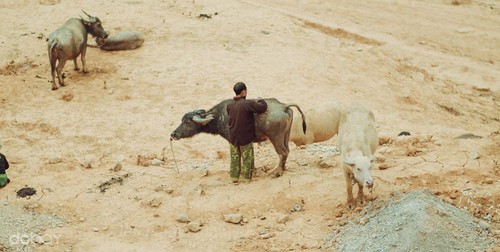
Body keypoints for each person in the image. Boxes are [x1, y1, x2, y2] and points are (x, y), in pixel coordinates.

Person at [227, 82, 267, 184]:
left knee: (234, 157)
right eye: (246, 91)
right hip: (245, 137)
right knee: (247, 157)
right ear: (243, 92)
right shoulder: (247, 103)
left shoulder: (230, 104)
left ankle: (234, 178)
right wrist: (261, 100)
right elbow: (262, 108)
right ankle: (246, 179)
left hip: (232, 137)